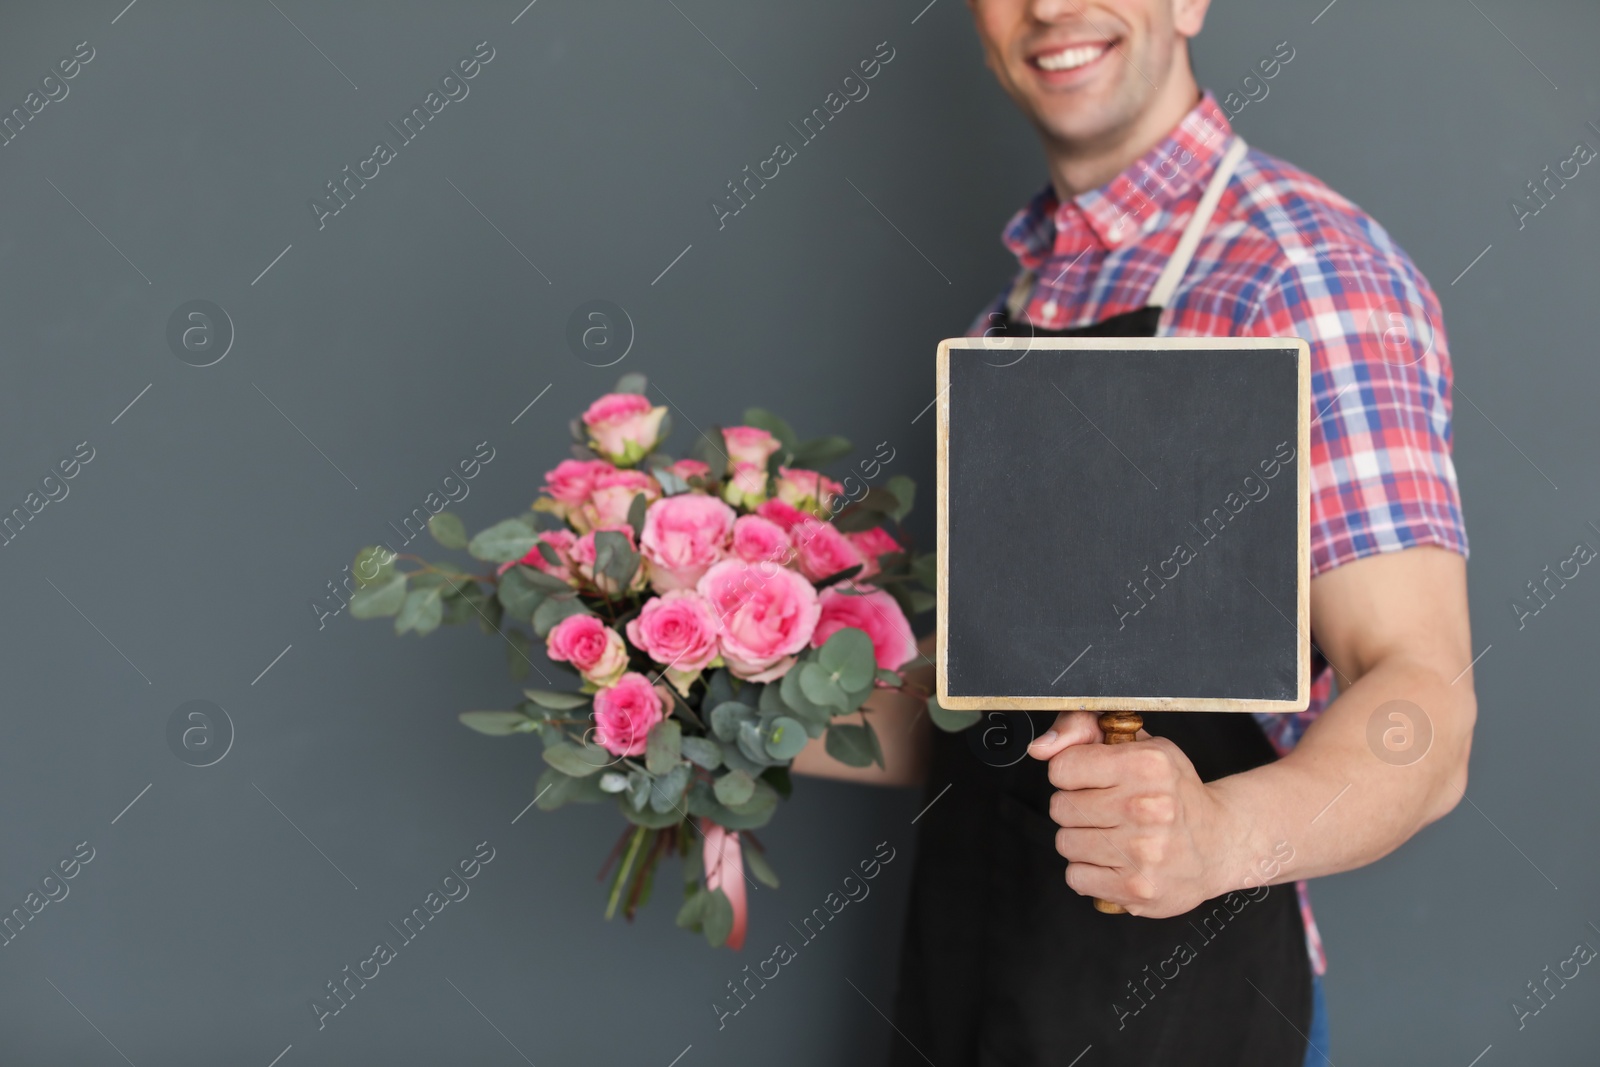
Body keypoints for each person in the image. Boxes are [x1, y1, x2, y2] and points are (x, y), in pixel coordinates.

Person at [791, 0, 1476, 1063]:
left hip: (1185, 1005)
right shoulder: (1015, 306)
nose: (1051, 7)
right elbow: (984, 711)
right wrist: (705, 706)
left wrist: (1215, 835)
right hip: (971, 976)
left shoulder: (1301, 273)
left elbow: (1422, 707)